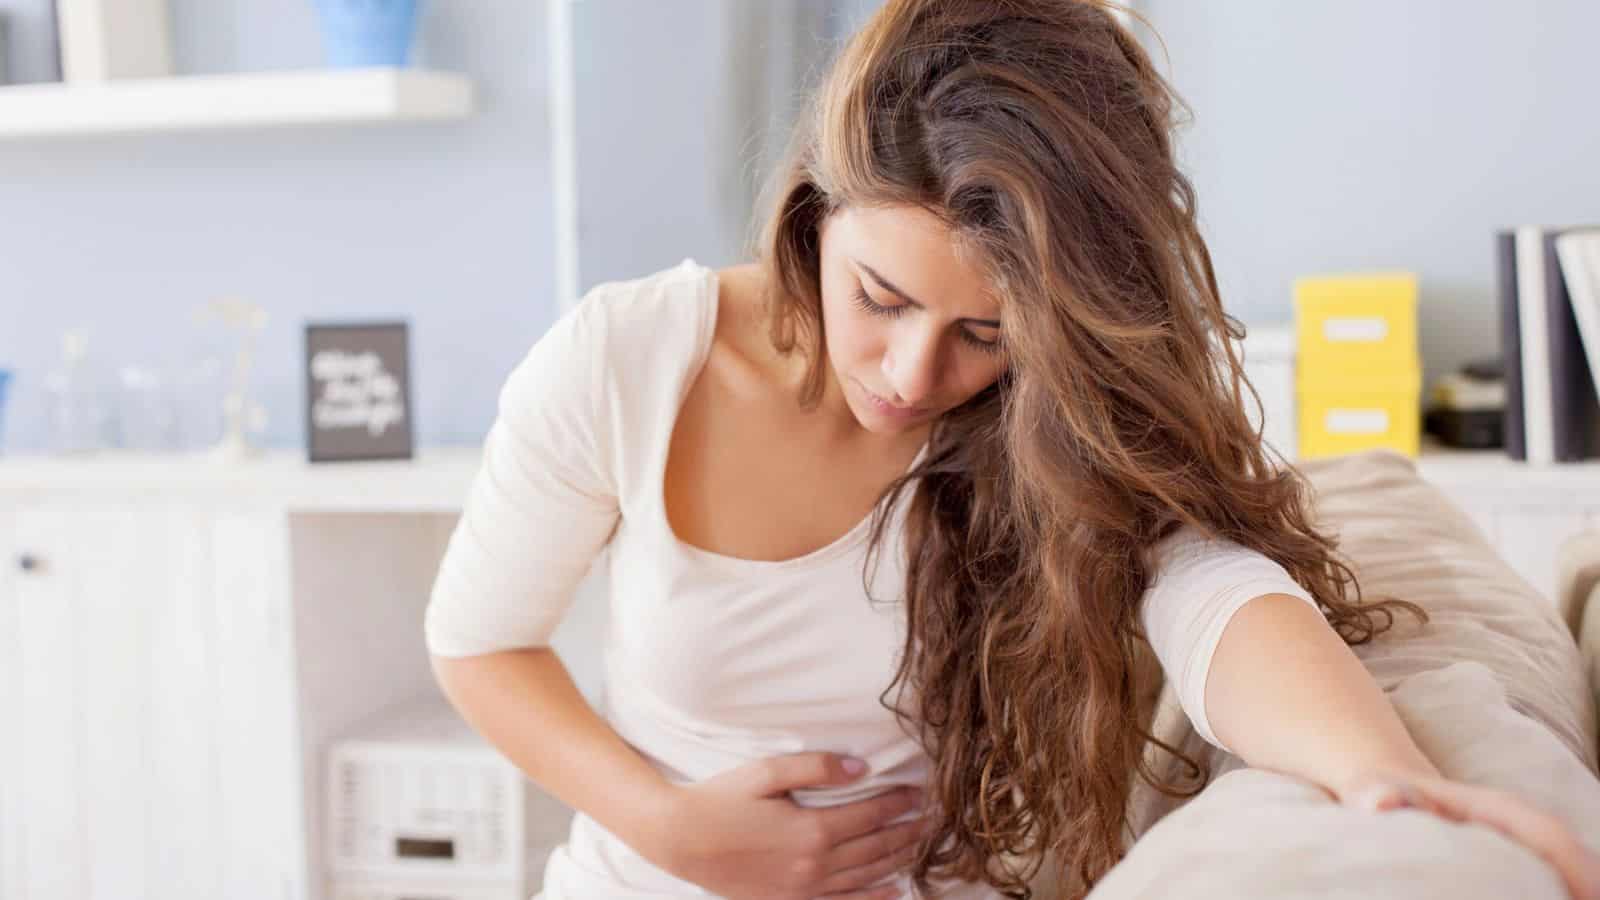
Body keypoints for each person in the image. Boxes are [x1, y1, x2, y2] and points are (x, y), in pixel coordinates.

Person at [425, 1, 1600, 898]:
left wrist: (1380, 775)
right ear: (814, 218)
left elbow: (1214, 596)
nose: (909, 376)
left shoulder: (1060, 421)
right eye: (877, 297)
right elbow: (478, 644)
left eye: (984, 333)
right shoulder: (629, 362)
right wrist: (671, 825)